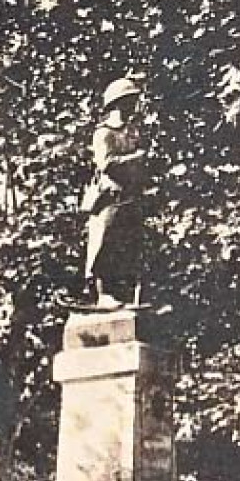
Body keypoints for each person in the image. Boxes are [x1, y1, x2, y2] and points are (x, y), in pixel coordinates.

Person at [80, 77, 149, 309]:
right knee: (105, 246)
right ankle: (103, 294)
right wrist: (138, 157)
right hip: (109, 198)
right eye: (129, 102)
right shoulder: (104, 133)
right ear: (117, 104)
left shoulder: (133, 133)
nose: (133, 106)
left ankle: (124, 294)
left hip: (130, 198)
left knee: (127, 248)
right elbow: (107, 163)